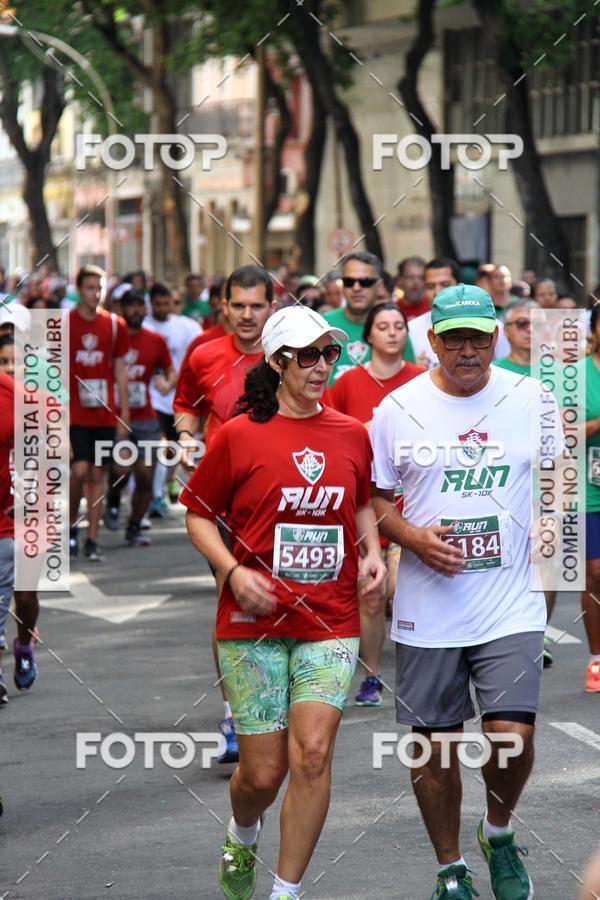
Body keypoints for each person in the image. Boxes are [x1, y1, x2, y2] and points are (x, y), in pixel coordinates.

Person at [181, 304, 386, 900]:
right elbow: (197, 515)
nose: (323, 366)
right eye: (308, 355)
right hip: (254, 624)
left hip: (331, 619)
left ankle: (285, 891)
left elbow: (362, 499)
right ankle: (243, 832)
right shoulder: (239, 435)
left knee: (313, 756)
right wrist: (232, 572)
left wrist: (372, 553)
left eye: (330, 353)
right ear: (277, 362)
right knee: (262, 775)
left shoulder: (350, 433)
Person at [370, 283, 564, 899]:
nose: (468, 351)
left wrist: (551, 521)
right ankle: (450, 868)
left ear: (495, 338)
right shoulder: (397, 408)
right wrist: (412, 538)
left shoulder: (531, 398)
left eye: (478, 338)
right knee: (435, 749)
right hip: (429, 606)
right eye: (454, 339)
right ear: (432, 340)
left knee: (512, 736)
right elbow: (374, 498)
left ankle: (498, 832)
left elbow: (557, 476)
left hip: (510, 601)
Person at [174, 265, 278, 764]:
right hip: (225, 500)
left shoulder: (289, 355)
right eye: (239, 305)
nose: (247, 315)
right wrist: (186, 436)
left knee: (284, 601)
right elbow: (186, 405)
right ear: (224, 306)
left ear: (272, 308)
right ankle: (234, 714)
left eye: (257, 306)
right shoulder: (204, 355)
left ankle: (283, 698)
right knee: (231, 599)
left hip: (282, 498)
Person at [330, 303, 424, 706]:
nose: (392, 332)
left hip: (408, 504)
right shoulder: (348, 382)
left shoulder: (421, 380)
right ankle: (371, 676)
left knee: (399, 589)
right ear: (368, 335)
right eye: (382, 326)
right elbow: (329, 432)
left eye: (399, 326)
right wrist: (364, 429)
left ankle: (422, 670)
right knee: (370, 592)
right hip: (361, 503)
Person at [105, 290, 176, 544]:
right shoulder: (110, 338)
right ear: (121, 309)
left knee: (146, 475)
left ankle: (134, 525)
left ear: (145, 309)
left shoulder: (155, 340)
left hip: (146, 416)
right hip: (114, 415)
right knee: (121, 468)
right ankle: (113, 499)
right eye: (130, 306)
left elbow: (171, 370)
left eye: (139, 306)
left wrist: (167, 384)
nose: (136, 310)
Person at [69, 265, 129, 562]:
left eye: (100, 288)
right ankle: (70, 527)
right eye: (90, 288)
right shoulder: (65, 323)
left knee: (97, 474)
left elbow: (119, 369)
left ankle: (92, 538)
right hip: (74, 412)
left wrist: (124, 413)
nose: (96, 293)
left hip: (104, 413)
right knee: (79, 471)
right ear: (79, 290)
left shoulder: (115, 325)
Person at [143, 283, 199, 515]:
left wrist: (175, 383)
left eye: (168, 303)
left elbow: (194, 359)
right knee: (158, 446)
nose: (164, 308)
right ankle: (155, 497)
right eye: (158, 304)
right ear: (151, 303)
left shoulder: (187, 327)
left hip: (177, 399)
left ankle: (167, 485)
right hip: (151, 399)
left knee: (174, 450)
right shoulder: (144, 326)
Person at [323, 252, 415, 383]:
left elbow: (410, 381)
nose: (356, 288)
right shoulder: (322, 323)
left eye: (365, 282)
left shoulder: (394, 327)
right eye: (349, 282)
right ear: (342, 286)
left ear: (379, 285)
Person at [410, 258, 510, 369]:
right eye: (430, 286)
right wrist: (417, 370)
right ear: (433, 339)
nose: (437, 291)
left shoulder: (491, 325)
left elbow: (505, 368)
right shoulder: (411, 329)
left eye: (445, 284)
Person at [578, 303, 600, 692]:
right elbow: (563, 434)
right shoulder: (576, 375)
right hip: (589, 489)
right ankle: (597, 658)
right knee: (595, 572)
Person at [493, 299, 539, 376]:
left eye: (537, 323)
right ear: (506, 330)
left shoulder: (558, 372)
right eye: (522, 323)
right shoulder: (492, 372)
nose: (531, 329)